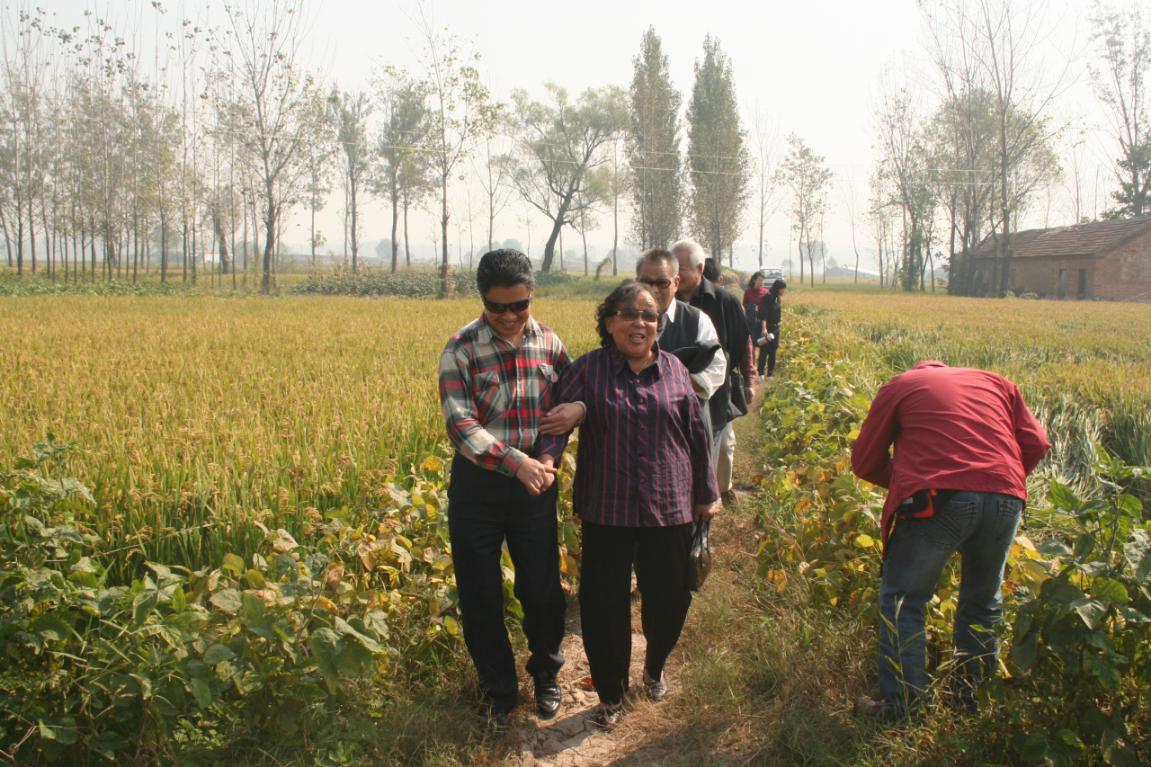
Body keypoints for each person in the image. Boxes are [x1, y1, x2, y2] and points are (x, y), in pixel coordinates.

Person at [538, 281, 719, 730]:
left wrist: (706, 493)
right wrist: (546, 460)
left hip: (669, 505)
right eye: (629, 314)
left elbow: (696, 434)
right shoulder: (589, 370)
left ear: (659, 325)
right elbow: (556, 420)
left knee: (670, 598)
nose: (640, 323)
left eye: (650, 315)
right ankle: (611, 694)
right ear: (609, 322)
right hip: (607, 507)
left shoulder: (676, 370)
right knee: (603, 605)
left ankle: (655, 666)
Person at [850, 361, 1051, 719]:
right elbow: (1036, 442)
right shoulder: (998, 383)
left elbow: (865, 461)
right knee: (983, 603)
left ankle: (904, 708)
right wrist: (997, 483)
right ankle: (971, 706)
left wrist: (907, 483)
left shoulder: (902, 384)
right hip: (1006, 493)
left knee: (903, 601)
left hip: (938, 497)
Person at [438, 249, 584, 723]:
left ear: (530, 297)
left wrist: (545, 456)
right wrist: (517, 462)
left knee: (541, 589)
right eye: (497, 306)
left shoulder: (550, 344)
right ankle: (499, 690)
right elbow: (461, 426)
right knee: (480, 593)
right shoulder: (460, 348)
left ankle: (546, 674)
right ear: (482, 300)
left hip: (535, 485)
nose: (508, 317)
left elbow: (566, 407)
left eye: (518, 306)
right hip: (478, 486)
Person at [672, 239, 753, 508]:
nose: (675, 274)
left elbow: (742, 344)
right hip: (670, 398)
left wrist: (749, 379)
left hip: (714, 394)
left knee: (710, 452)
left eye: (680, 267)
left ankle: (707, 509)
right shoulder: (663, 301)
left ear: (699, 268)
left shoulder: (725, 302)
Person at [635, 248, 726, 411]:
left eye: (662, 283)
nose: (654, 290)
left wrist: (677, 384)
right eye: (647, 283)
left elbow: (717, 368)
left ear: (676, 283)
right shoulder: (625, 320)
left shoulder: (697, 320)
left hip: (684, 424)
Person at [756, 278, 786, 379]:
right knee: (764, 351)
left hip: (776, 328)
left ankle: (770, 373)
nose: (784, 291)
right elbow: (763, 315)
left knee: (773, 350)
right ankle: (760, 373)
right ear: (778, 288)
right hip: (767, 328)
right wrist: (764, 329)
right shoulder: (767, 298)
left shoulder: (778, 298)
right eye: (783, 289)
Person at [742, 272, 769, 367]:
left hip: (763, 322)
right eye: (760, 280)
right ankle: (752, 366)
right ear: (754, 280)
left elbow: (768, 306)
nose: (762, 282)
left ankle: (761, 367)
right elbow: (744, 305)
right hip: (751, 322)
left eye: (763, 280)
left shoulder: (766, 292)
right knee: (752, 345)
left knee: (763, 344)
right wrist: (751, 307)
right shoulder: (748, 292)